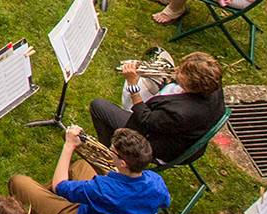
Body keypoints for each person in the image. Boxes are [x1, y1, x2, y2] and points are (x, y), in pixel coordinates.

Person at [6, 125, 169, 214]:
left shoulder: (103, 189)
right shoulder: (156, 183)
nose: (109, 150)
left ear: (123, 164)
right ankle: (42, 209)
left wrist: (69, 145)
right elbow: (164, 201)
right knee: (80, 166)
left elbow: (59, 185)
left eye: (112, 151)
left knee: (19, 182)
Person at [86, 49, 226, 165]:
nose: (177, 70)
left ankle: (107, 155)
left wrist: (133, 85)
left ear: (192, 85)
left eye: (182, 73)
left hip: (155, 144)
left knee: (98, 106)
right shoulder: (213, 85)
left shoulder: (180, 113)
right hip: (183, 134)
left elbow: (145, 119)